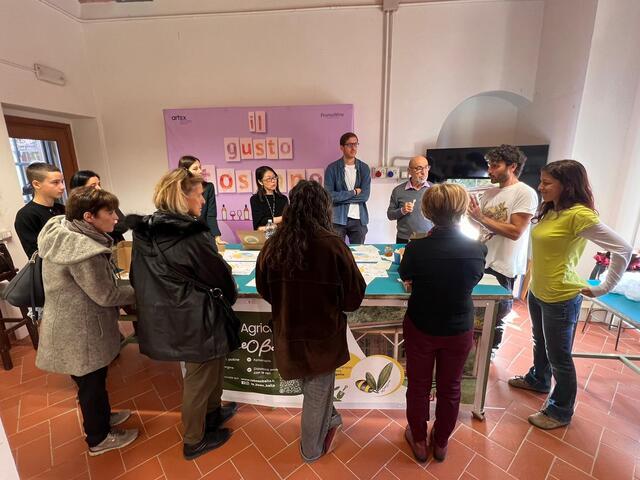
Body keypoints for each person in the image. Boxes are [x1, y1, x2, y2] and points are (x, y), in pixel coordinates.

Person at [508, 160, 632, 430]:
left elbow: (623, 249)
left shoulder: (579, 215)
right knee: (540, 343)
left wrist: (603, 287)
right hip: (539, 291)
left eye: (547, 183)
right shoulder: (552, 209)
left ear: (567, 186)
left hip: (561, 297)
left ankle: (560, 410)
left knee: (559, 356)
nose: (541, 187)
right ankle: (538, 380)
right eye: (541, 181)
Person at [127, 168, 238, 460]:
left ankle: (212, 414)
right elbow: (217, 274)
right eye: (199, 195)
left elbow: (138, 275)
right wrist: (230, 293)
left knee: (211, 366)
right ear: (183, 197)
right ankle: (194, 440)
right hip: (196, 313)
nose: (202, 201)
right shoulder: (192, 233)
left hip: (171, 312)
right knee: (199, 377)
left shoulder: (145, 231)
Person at [255, 180, 366, 462]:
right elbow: (353, 298)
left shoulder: (273, 245)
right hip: (323, 337)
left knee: (313, 387)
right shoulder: (333, 246)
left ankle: (331, 419)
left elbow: (264, 289)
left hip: (288, 333)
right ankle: (311, 451)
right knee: (317, 393)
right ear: (323, 208)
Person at [36, 186, 138, 456]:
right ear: (89, 217)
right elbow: (106, 294)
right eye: (109, 212)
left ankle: (103, 417)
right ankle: (98, 438)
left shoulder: (62, 229)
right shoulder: (83, 251)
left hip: (68, 322)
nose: (116, 217)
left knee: (91, 381)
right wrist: (141, 291)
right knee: (91, 384)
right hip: (80, 328)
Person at [399, 183, 487, 463]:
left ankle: (418, 439)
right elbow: (473, 278)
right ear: (462, 211)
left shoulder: (416, 248)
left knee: (418, 385)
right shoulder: (477, 249)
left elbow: (406, 274)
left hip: (421, 324)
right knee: (451, 387)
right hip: (458, 327)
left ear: (426, 211)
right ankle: (441, 441)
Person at [467, 145, 538, 352]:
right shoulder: (490, 192)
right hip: (482, 259)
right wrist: (470, 215)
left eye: (495, 166)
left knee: (497, 314)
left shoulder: (525, 193)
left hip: (503, 264)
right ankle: (473, 352)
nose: (489, 170)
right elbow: (481, 226)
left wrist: (480, 217)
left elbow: (516, 231)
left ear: (512, 166)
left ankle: (490, 353)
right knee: (475, 310)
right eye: (489, 165)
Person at [324, 132, 371, 244]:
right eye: (350, 145)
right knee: (336, 250)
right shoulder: (332, 168)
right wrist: (353, 192)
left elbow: (364, 196)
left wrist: (340, 197)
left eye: (356, 144)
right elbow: (329, 196)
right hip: (337, 219)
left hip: (359, 219)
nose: (353, 148)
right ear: (342, 147)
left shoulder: (364, 168)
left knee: (359, 252)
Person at [14, 162, 65, 258]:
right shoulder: (26, 215)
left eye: (62, 182)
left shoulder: (62, 208)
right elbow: (35, 254)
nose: (62, 187)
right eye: (55, 182)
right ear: (37, 184)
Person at [70, 170, 129, 244]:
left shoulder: (105, 201)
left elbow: (123, 224)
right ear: (79, 188)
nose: (99, 188)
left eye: (98, 184)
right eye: (93, 186)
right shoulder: (75, 209)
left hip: (115, 243)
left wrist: (103, 227)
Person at [387, 156, 434, 243]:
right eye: (419, 168)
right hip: (405, 239)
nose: (424, 172)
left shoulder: (435, 189)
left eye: (426, 167)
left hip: (429, 238)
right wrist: (402, 210)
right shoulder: (398, 190)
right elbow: (390, 215)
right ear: (409, 171)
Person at [178, 155, 222, 240]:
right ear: (185, 171)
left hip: (204, 236)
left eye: (200, 167)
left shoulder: (208, 187)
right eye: (195, 169)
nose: (200, 171)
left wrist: (217, 237)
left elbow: (211, 216)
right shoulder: (178, 190)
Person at [249, 166, 289, 230]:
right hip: (263, 235)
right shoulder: (255, 199)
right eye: (269, 179)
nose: (273, 181)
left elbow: (288, 221)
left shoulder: (283, 199)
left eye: (274, 177)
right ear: (260, 182)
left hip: (282, 234)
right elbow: (259, 223)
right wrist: (282, 218)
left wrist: (268, 223)